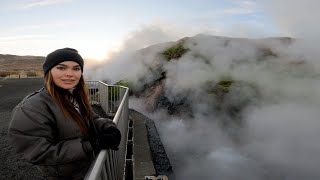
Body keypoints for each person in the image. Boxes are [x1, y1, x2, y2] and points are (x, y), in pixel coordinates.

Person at [8, 48, 121, 180]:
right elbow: (39, 152)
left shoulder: (74, 97)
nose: (70, 74)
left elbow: (89, 117)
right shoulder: (32, 108)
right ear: (49, 72)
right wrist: (91, 145)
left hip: (87, 169)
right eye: (61, 68)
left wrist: (108, 126)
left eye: (76, 68)